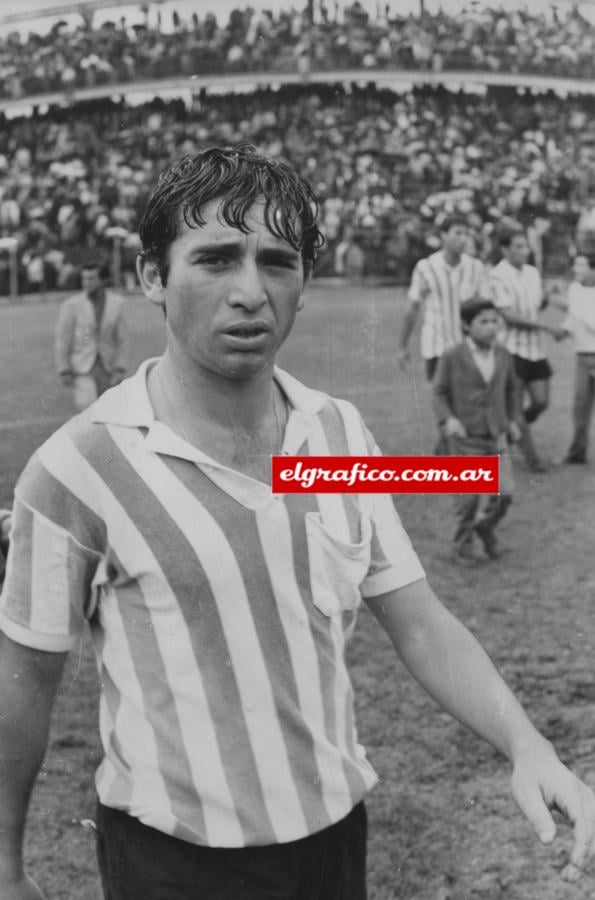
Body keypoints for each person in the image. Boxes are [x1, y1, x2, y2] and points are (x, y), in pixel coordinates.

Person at [0, 146, 594, 900]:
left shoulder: (335, 434)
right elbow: (23, 684)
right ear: (153, 275)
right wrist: (6, 865)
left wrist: (526, 744)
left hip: (332, 838)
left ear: (304, 282)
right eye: (215, 259)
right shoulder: (77, 467)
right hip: (171, 861)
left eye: (277, 262)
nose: (250, 291)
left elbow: (417, 620)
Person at [432, 298, 521, 566]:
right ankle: (462, 546)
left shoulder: (504, 354)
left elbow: (512, 390)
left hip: (497, 436)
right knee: (468, 499)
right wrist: (449, 419)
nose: (491, 327)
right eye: (483, 322)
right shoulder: (452, 356)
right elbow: (439, 392)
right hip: (466, 437)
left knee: (504, 494)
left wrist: (513, 420)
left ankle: (486, 527)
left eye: (495, 321)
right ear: (466, 325)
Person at [489, 227, 564, 472]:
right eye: (518, 246)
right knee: (516, 406)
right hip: (511, 349)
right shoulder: (497, 275)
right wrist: (546, 328)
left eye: (525, 246)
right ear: (504, 248)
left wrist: (547, 295)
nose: (524, 251)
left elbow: (536, 305)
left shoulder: (532, 272)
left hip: (535, 350)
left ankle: (512, 432)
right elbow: (509, 316)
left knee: (541, 402)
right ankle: (533, 459)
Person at [398, 215, 490, 382]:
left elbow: (486, 307)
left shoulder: (475, 267)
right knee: (441, 401)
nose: (463, 239)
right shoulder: (425, 267)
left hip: (469, 347)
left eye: (466, 234)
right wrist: (403, 346)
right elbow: (412, 309)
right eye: (458, 233)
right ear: (443, 235)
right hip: (436, 346)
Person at [54, 261, 129, 411]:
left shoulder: (118, 304)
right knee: (87, 414)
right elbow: (63, 339)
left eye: (91, 278)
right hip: (81, 368)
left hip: (108, 369)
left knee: (111, 414)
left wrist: (120, 367)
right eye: (84, 278)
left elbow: (123, 340)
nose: (86, 283)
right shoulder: (71, 305)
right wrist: (64, 369)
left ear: (103, 280)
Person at [557, 253, 595, 463]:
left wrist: (575, 309)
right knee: (580, 409)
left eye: (582, 264)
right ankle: (576, 454)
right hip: (582, 355)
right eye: (575, 264)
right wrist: (560, 331)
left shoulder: (577, 298)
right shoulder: (574, 290)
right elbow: (572, 322)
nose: (576, 268)